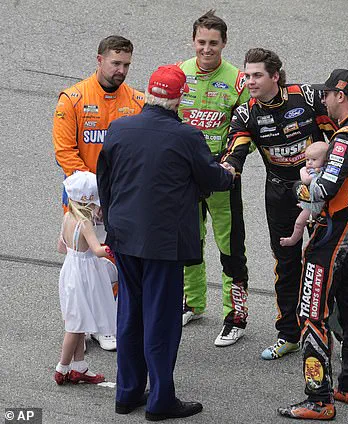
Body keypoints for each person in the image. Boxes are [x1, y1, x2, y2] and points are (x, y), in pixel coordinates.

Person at [97, 65, 234, 420]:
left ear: (149, 92)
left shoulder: (120, 128)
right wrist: (228, 172)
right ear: (179, 97)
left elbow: (106, 183)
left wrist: (114, 225)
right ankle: (160, 401)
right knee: (161, 321)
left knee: (129, 315)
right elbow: (212, 178)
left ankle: (127, 394)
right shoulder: (186, 136)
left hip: (125, 236)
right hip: (163, 243)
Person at [277, 69, 348, 420]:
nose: (323, 100)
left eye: (326, 94)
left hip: (334, 234)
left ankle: (318, 398)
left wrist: (292, 190)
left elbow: (322, 190)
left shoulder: (345, 137)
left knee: (312, 312)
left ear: (340, 96)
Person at [222, 48, 337, 360]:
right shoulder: (247, 113)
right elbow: (236, 151)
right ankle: (289, 334)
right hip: (278, 194)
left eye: (257, 75)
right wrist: (228, 168)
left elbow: (341, 138)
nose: (250, 81)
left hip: (318, 190)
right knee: (286, 263)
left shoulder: (308, 98)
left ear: (275, 76)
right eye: (246, 75)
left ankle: (333, 330)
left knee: (329, 261)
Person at [52, 35, 144, 351]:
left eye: (126, 64)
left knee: (111, 262)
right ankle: (80, 326)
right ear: (100, 60)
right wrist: (93, 194)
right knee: (81, 264)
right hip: (83, 199)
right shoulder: (73, 99)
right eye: (116, 63)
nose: (121, 70)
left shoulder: (137, 102)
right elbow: (65, 152)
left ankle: (104, 323)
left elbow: (138, 155)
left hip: (120, 198)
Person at [177, 10, 252, 348]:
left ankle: (236, 315)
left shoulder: (238, 81)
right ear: (193, 41)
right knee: (188, 241)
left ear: (224, 44)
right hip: (184, 179)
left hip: (222, 177)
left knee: (230, 247)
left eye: (213, 43)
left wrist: (228, 164)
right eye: (201, 42)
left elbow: (247, 133)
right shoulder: (179, 73)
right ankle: (192, 301)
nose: (206, 49)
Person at [54, 171, 116, 386]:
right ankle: (62, 368)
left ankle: (79, 367)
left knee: (80, 320)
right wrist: (114, 248)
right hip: (85, 274)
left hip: (71, 269)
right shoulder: (85, 223)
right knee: (75, 325)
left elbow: (61, 246)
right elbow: (98, 250)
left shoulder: (68, 217)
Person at [279, 141, 329, 247]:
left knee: (299, 223)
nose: (309, 163)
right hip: (314, 201)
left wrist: (302, 170)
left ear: (325, 161)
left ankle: (292, 240)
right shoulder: (318, 169)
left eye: (314, 160)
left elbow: (306, 180)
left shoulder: (319, 171)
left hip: (315, 206)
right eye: (307, 160)